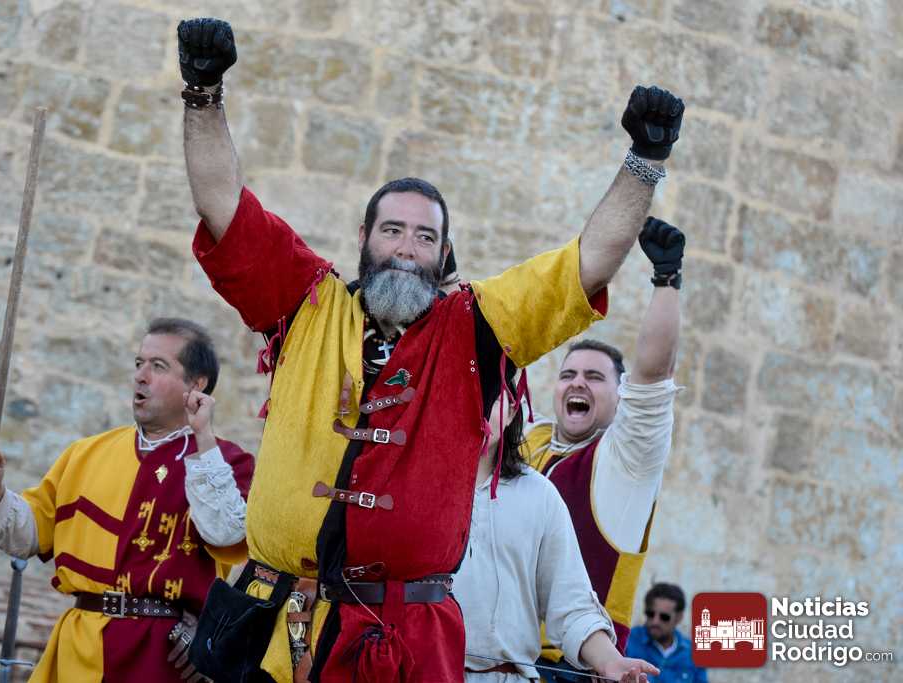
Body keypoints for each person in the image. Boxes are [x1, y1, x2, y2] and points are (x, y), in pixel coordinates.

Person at [176, 16, 684, 683]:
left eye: (424, 238)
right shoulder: (306, 303)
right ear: (364, 237)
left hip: (404, 647)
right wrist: (203, 95)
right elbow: (223, 206)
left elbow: (587, 262)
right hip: (279, 632)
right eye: (392, 231)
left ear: (444, 254)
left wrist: (644, 162)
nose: (406, 250)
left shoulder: (475, 325)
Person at [0, 318, 255, 682]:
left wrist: (203, 438)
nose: (141, 376)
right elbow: (29, 536)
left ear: (196, 385)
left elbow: (227, 534)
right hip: (79, 648)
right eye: (139, 363)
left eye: (158, 366)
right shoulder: (85, 453)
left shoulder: (224, 461)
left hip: (161, 656)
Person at [524, 218, 684, 674]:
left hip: (571, 669)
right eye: (568, 375)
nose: (578, 383)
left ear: (620, 397)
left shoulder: (624, 462)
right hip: (493, 661)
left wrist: (667, 280)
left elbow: (653, 377)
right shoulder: (530, 439)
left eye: (595, 377)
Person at [454, 372, 659, 683]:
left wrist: (610, 661)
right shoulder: (411, 485)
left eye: (492, 397)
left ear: (512, 410)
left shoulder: (539, 494)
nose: (479, 407)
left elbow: (571, 606)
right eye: (469, 394)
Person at [625, 584, 707, 683]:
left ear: (679, 617)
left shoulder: (692, 653)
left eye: (664, 617)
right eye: (650, 614)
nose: (655, 621)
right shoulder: (627, 641)